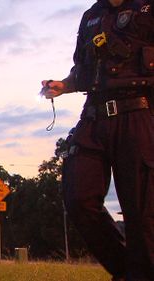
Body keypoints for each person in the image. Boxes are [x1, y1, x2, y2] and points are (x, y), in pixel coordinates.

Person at [40, 0, 153, 280]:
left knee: (142, 215)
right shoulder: (92, 16)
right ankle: (127, 270)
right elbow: (82, 70)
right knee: (78, 197)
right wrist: (64, 85)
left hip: (138, 114)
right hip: (94, 116)